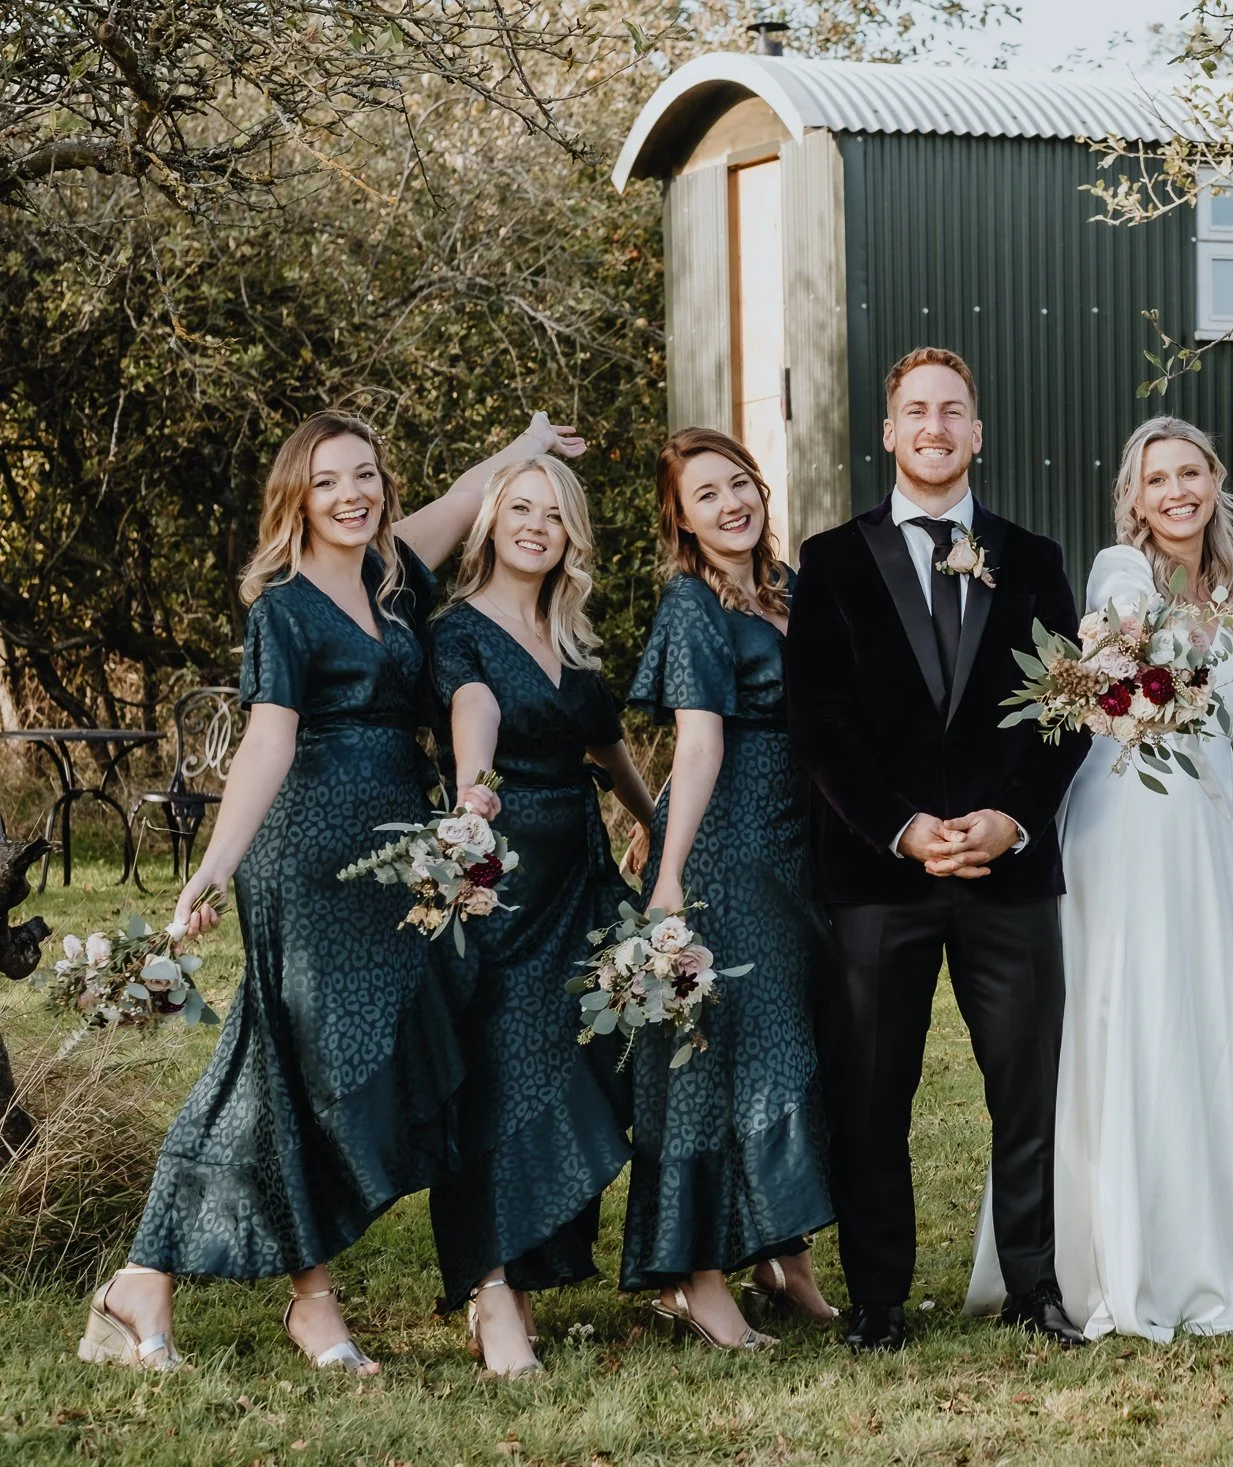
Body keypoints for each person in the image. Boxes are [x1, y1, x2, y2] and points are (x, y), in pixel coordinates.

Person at [79, 410, 583, 1375]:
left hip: (404, 856)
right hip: (307, 858)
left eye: (366, 475)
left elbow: (467, 496)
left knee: (360, 1057)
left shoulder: (395, 576)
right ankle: (299, 1299)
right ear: (295, 499)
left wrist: (526, 445)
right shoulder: (282, 609)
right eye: (327, 481)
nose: (352, 494)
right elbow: (268, 740)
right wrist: (217, 861)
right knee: (298, 1067)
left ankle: (152, 1281)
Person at [967, 418, 1233, 1341]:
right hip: (1125, 815)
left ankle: (1218, 1247)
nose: (1176, 491)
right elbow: (1120, 670)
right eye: (1157, 478)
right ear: (1135, 496)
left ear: (1215, 481)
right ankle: (1112, 1252)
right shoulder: (1118, 573)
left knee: (1204, 1013)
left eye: (1190, 472)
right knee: (1125, 1007)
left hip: (1204, 829)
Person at [785, 347, 1090, 1353]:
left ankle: (1035, 1285)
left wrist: (1010, 822)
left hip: (1010, 875)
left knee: (1028, 1090)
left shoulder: (1034, 557)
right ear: (888, 433)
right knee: (872, 1095)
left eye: (952, 411)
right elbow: (819, 722)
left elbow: (1066, 709)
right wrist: (904, 829)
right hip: (878, 876)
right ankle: (877, 1298)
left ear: (977, 432)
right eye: (915, 411)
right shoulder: (829, 561)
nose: (933, 427)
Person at [429, 454, 655, 1378]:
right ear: (490, 523)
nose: (534, 526)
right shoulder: (458, 636)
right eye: (518, 508)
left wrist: (659, 823)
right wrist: (476, 790)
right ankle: (490, 1291)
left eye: (552, 515)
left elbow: (609, 748)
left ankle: (521, 1277)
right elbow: (472, 714)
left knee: (579, 1070)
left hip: (584, 886)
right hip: (501, 879)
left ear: (571, 537)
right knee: (495, 1081)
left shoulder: (573, 640)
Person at [622, 427, 839, 1351]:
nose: (731, 503)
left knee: (785, 1044)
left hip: (801, 847)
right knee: (713, 1060)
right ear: (681, 519)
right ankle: (696, 1277)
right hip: (726, 850)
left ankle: (779, 1253)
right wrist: (668, 874)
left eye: (740, 483)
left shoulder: (789, 590)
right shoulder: (690, 606)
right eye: (706, 494)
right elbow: (699, 742)